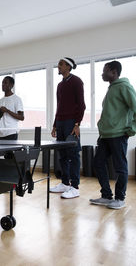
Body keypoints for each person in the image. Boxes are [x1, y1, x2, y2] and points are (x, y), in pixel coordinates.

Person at [90, 61, 136, 209]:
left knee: (120, 167)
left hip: (118, 135)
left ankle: (120, 198)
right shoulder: (112, 88)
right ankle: (107, 196)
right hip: (106, 136)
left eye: (105, 71)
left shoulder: (124, 87)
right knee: (98, 163)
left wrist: (132, 129)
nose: (102, 74)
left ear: (114, 72)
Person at [49, 57, 86, 199]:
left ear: (68, 67)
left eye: (61, 64)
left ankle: (75, 186)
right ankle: (65, 183)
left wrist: (77, 124)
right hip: (60, 123)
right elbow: (59, 107)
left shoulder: (77, 81)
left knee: (73, 154)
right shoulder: (60, 85)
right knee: (63, 155)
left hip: (72, 123)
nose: (58, 66)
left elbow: (81, 105)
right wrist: (54, 125)